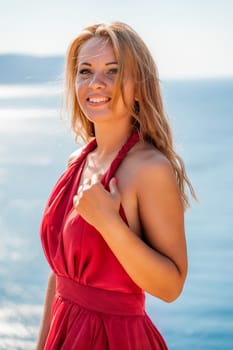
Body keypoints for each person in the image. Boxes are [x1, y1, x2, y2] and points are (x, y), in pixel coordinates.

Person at [36, 22, 196, 349]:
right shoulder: (77, 161)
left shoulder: (150, 169)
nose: (96, 83)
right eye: (85, 71)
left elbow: (170, 287)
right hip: (64, 335)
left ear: (138, 86)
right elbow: (59, 276)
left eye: (113, 71)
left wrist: (110, 224)